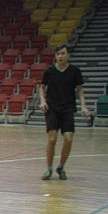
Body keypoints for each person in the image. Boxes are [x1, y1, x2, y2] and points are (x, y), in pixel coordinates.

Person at [38, 44, 91, 180]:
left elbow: (80, 90)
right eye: (58, 54)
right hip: (52, 109)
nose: (60, 56)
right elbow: (42, 88)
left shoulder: (74, 71)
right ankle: (49, 169)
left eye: (62, 53)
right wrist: (43, 101)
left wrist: (84, 107)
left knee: (68, 138)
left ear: (68, 55)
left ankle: (60, 167)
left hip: (67, 109)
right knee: (52, 138)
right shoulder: (49, 71)